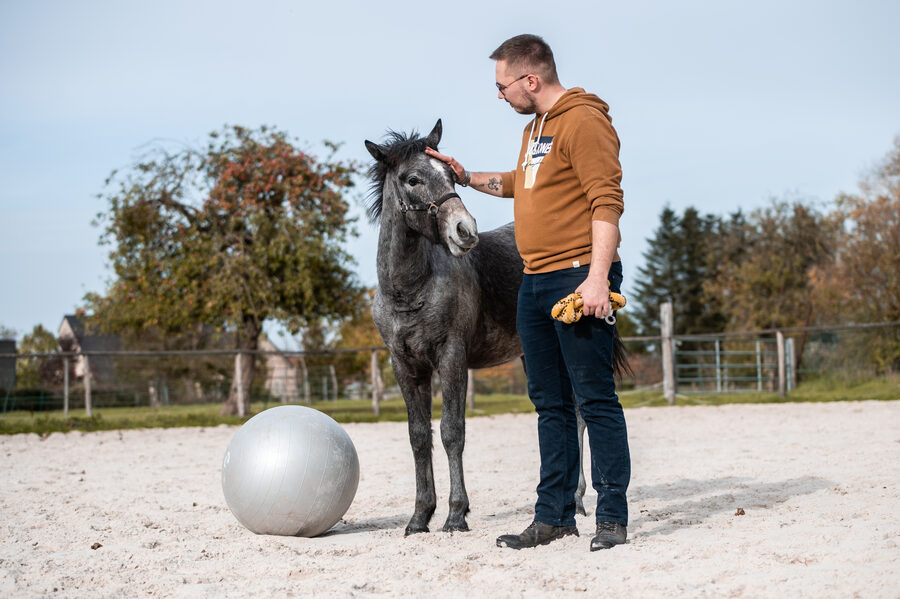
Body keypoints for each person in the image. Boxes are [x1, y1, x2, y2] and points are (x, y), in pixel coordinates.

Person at [425, 34, 630, 551]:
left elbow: (606, 202)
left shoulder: (584, 121)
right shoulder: (536, 127)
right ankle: (554, 515)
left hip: (578, 277)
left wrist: (598, 279)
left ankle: (611, 518)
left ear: (530, 79)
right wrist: (466, 177)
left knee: (595, 399)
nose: (501, 96)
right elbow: (525, 183)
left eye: (503, 86)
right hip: (534, 281)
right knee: (550, 403)